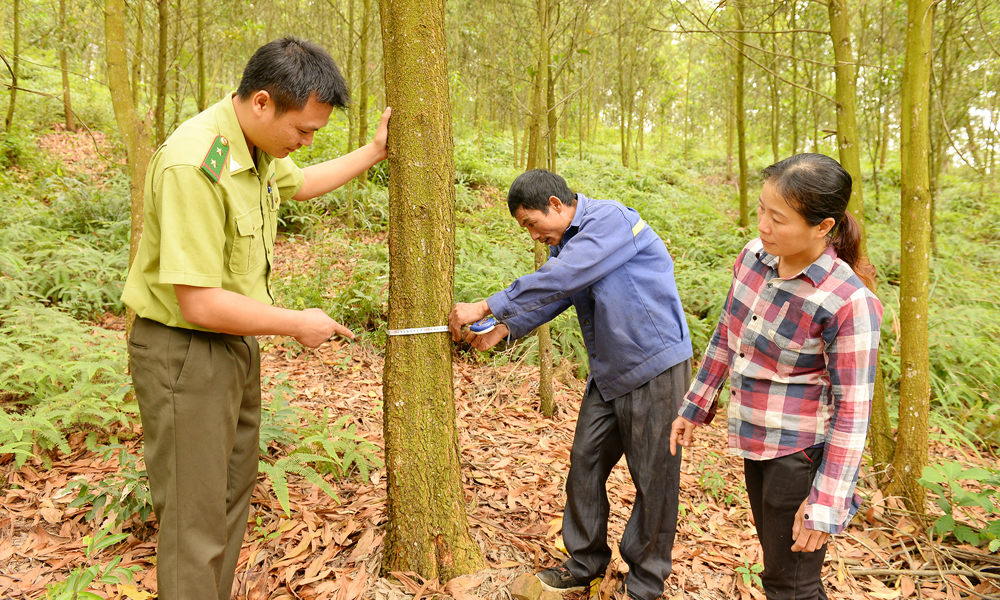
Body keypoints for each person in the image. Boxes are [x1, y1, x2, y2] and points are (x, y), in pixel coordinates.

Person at [121, 37, 390, 600]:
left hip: (234, 346)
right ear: (263, 102)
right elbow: (196, 301)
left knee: (229, 498)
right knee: (193, 521)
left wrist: (374, 151)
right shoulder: (196, 163)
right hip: (185, 352)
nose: (306, 142)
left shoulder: (258, 148)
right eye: (304, 130)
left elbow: (303, 184)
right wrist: (295, 322)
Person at [449, 169, 693, 600]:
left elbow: (561, 278)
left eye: (530, 223)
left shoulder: (612, 221)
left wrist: (488, 304)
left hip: (654, 366)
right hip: (610, 371)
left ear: (557, 205)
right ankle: (584, 564)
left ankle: (645, 582)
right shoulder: (568, 243)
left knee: (654, 476)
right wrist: (505, 328)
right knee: (586, 462)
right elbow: (561, 294)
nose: (532, 236)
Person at [670, 153, 883, 600]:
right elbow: (729, 332)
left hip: (800, 455)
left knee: (791, 583)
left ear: (823, 226)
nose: (763, 225)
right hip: (756, 440)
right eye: (763, 209)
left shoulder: (847, 301)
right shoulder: (754, 257)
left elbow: (853, 412)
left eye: (778, 218)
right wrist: (695, 404)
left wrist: (826, 502)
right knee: (782, 573)